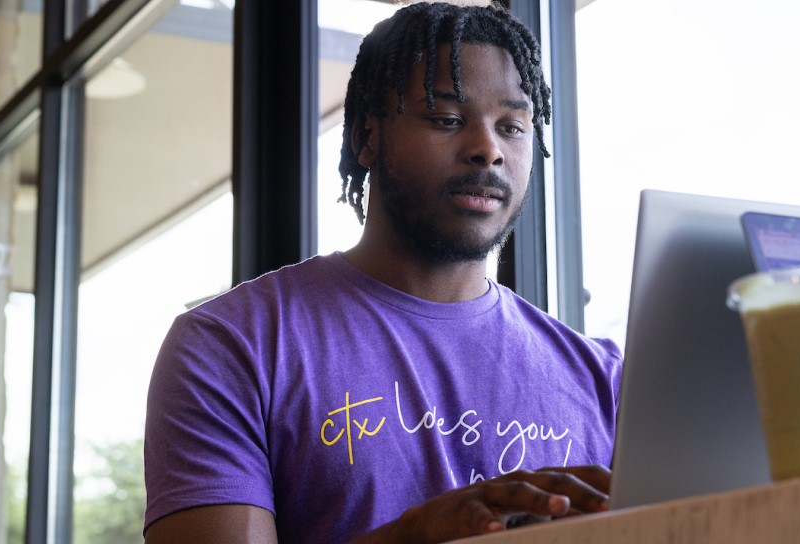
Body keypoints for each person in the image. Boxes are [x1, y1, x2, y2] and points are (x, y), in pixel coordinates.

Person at [143, 2, 622, 543]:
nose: (488, 150)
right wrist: (413, 534)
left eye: (512, 126)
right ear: (366, 137)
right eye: (446, 119)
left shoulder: (604, 379)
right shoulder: (232, 344)